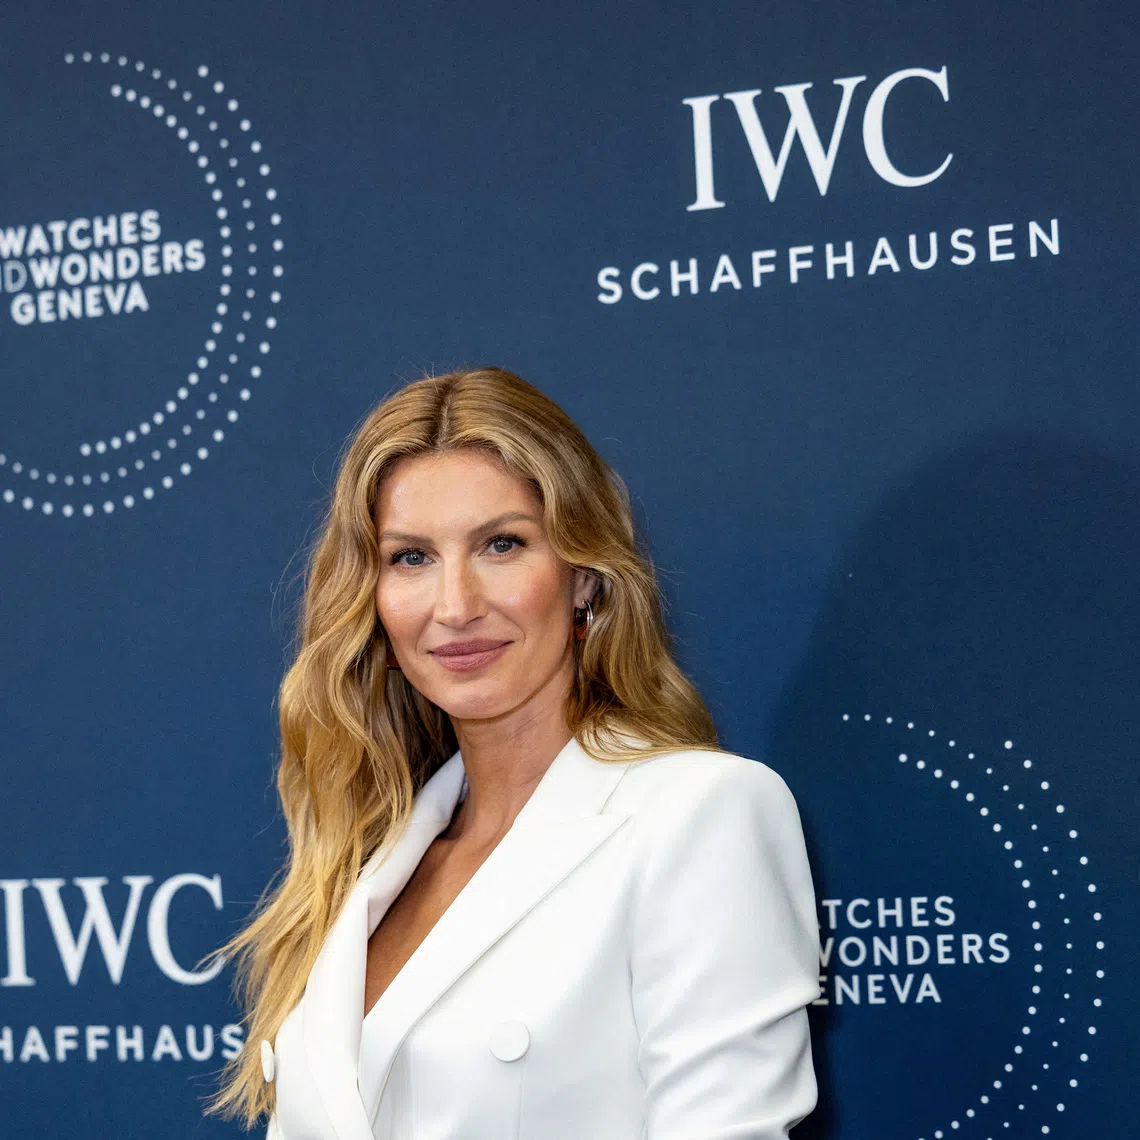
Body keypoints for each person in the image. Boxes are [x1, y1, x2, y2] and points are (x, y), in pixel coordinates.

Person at [209, 366, 821, 1139]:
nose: (456, 606)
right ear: (372, 600)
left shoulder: (699, 815)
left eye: (502, 544)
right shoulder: (368, 854)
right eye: (410, 558)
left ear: (584, 581)